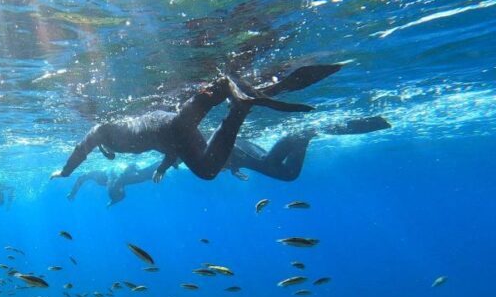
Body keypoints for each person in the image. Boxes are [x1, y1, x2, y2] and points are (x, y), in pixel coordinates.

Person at [51, 64, 344, 182]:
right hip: (172, 134)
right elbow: (160, 145)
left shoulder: (101, 130)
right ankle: (237, 104)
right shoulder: (113, 135)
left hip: (168, 125)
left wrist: (65, 172)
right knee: (206, 171)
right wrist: (165, 167)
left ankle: (225, 91)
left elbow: (81, 149)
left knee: (196, 148)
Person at [68, 116, 391, 205]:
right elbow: (187, 152)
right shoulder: (164, 149)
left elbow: (191, 148)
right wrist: (232, 168)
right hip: (233, 156)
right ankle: (304, 135)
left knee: (281, 169)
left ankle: (304, 133)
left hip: (233, 150)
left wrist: (166, 166)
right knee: (285, 172)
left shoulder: (162, 144)